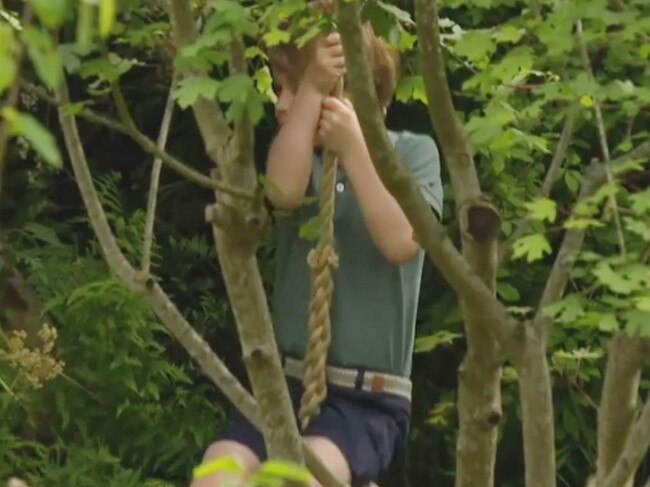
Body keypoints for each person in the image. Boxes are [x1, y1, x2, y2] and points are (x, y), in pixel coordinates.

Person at [191, 23, 443, 487]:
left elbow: (401, 241)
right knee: (217, 473)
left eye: (292, 87)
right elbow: (281, 192)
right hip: (284, 388)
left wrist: (354, 150)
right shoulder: (298, 158)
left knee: (299, 477)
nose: (281, 103)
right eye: (282, 87)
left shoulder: (413, 153)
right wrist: (311, 88)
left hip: (365, 400)